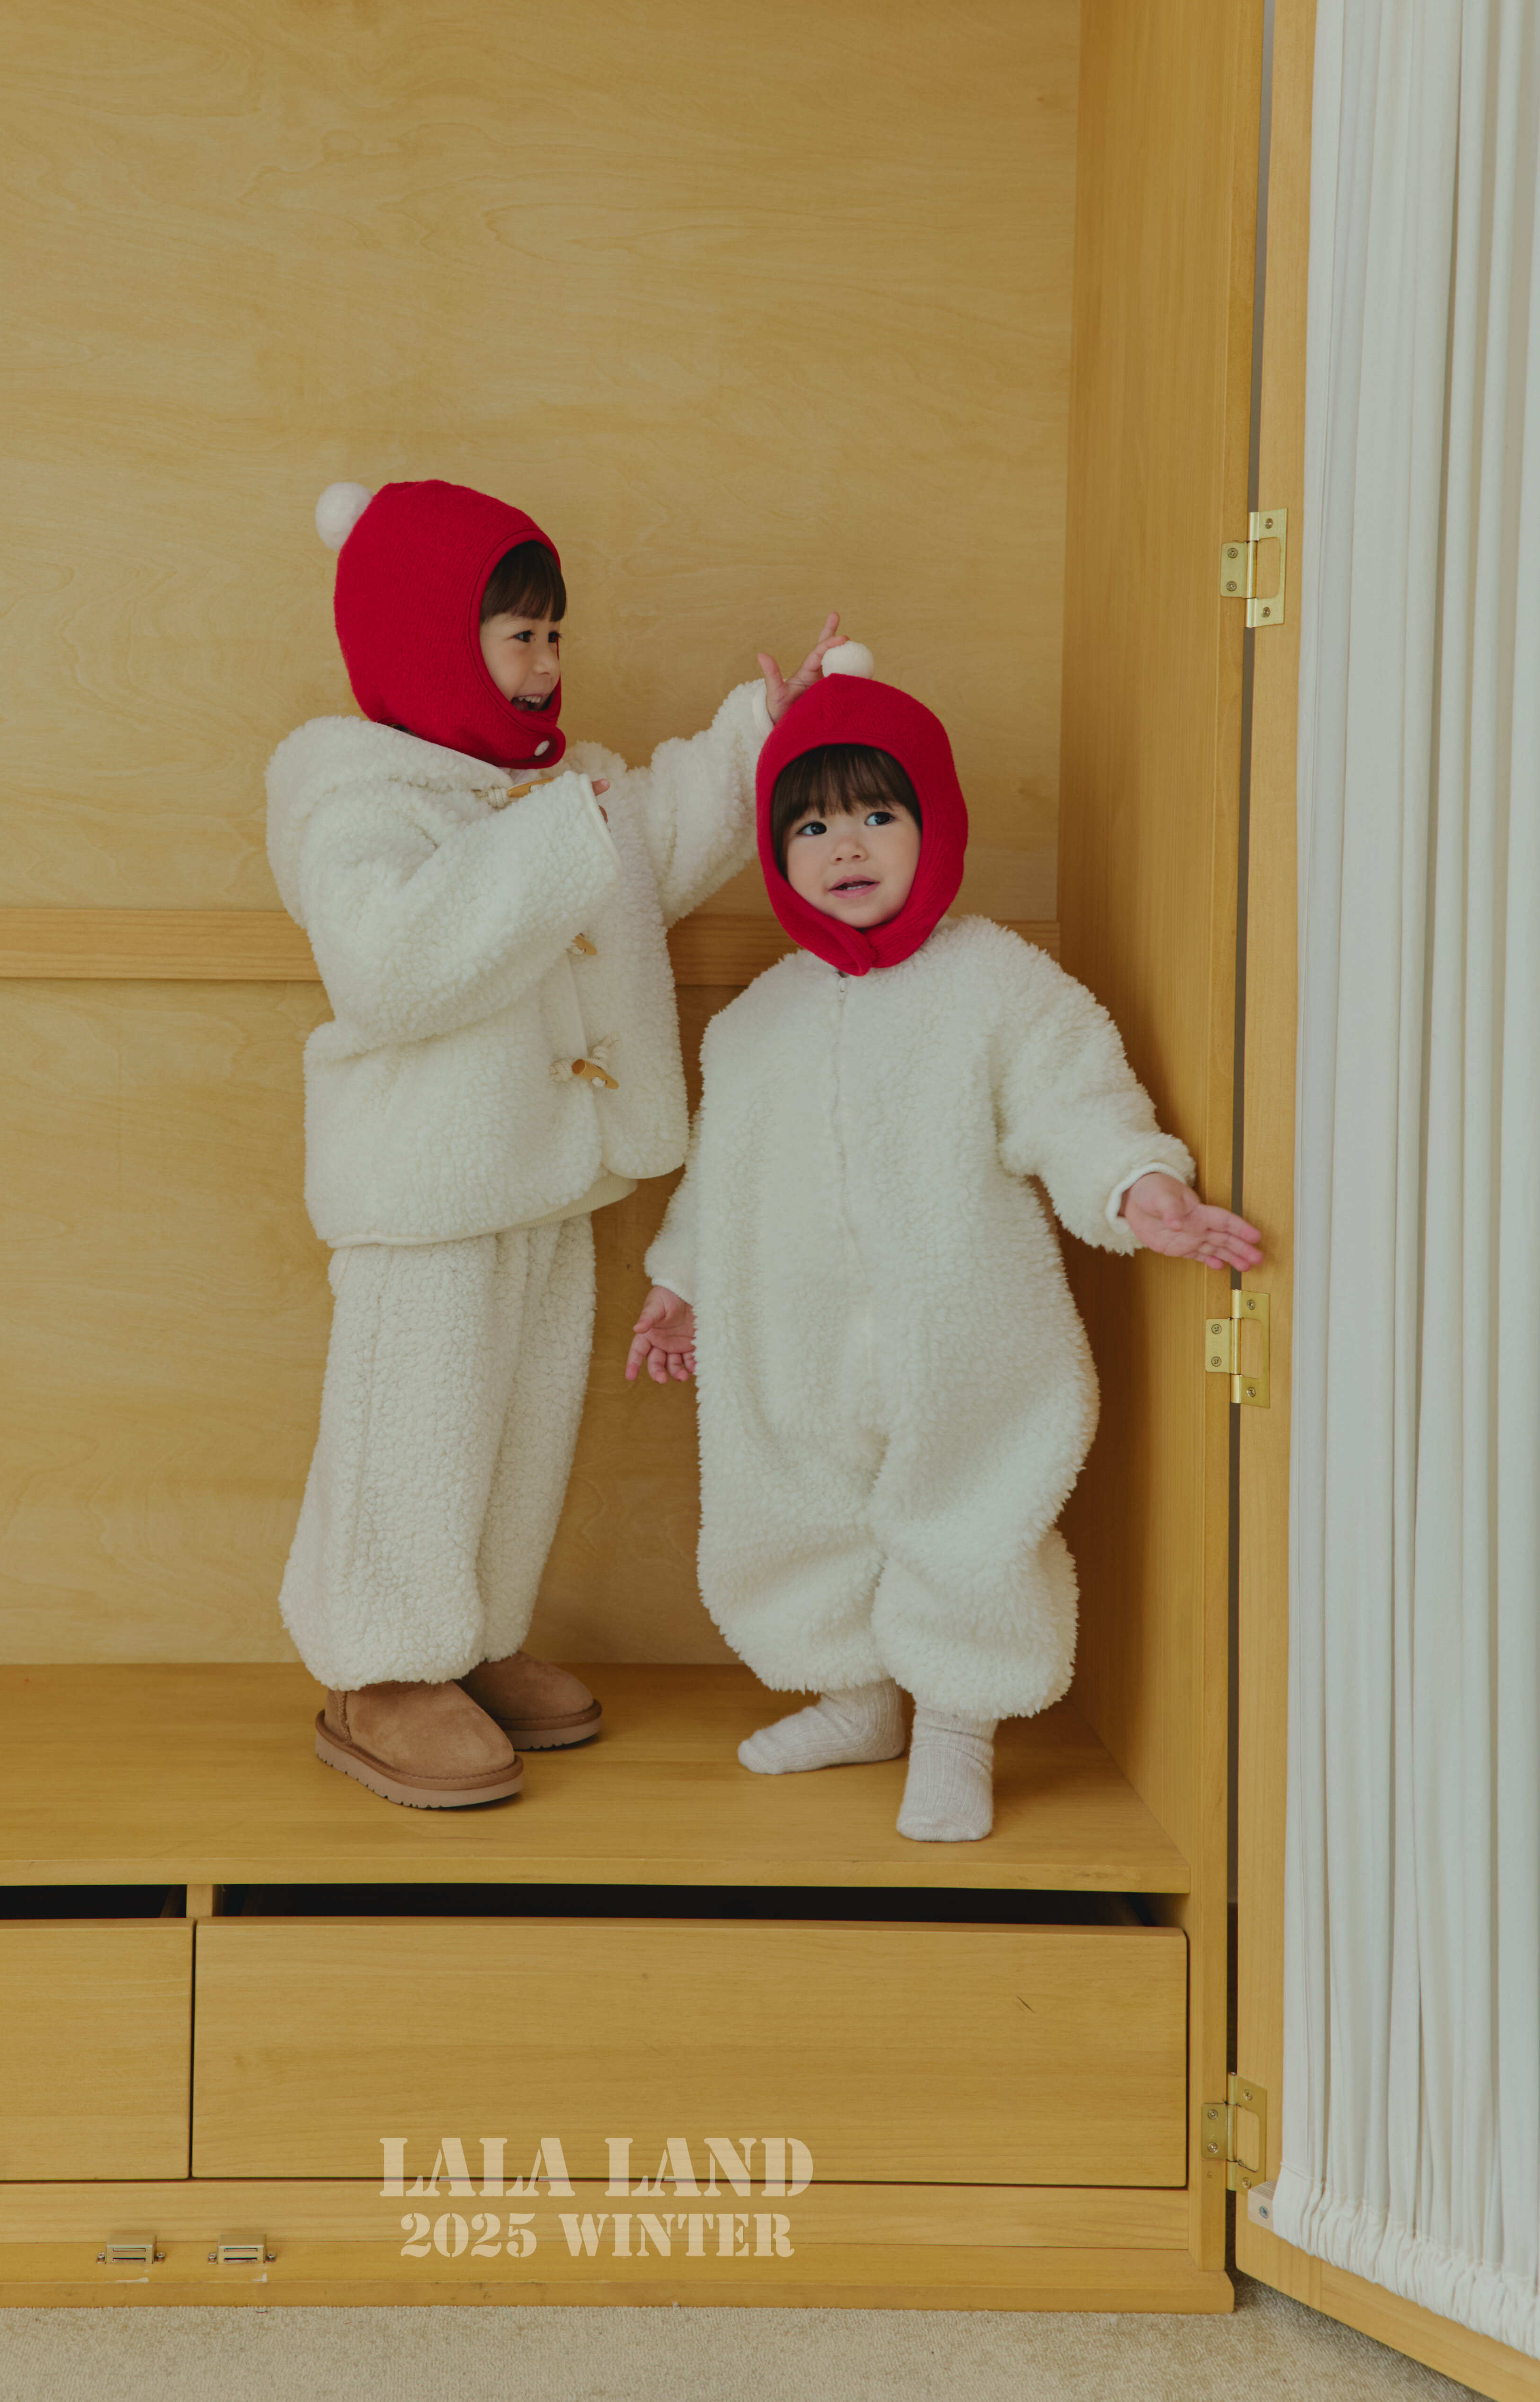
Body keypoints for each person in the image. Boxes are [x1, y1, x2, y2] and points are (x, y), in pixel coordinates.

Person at [266, 475, 838, 1809]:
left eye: (553, 636)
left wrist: (763, 732)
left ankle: (467, 1638)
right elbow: (392, 968)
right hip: (425, 1189)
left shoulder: (556, 788)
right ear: (427, 642)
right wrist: (559, 835)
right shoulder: (354, 798)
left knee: (518, 1431)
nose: (545, 665)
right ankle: (380, 1668)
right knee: (413, 1425)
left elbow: (664, 833)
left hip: (543, 1170)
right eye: (517, 636)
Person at [625, 646, 1261, 1842]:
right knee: (796, 1506)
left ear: (934, 823)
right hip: (798, 1346)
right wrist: (681, 1283)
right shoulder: (754, 1023)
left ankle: (957, 1725)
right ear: (775, 851)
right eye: (811, 826)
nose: (846, 846)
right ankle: (858, 1698)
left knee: (970, 1514)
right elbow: (723, 1181)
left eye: (878, 814)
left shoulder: (997, 985)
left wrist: (1135, 1186)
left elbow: (1075, 1101)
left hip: (960, 1334)